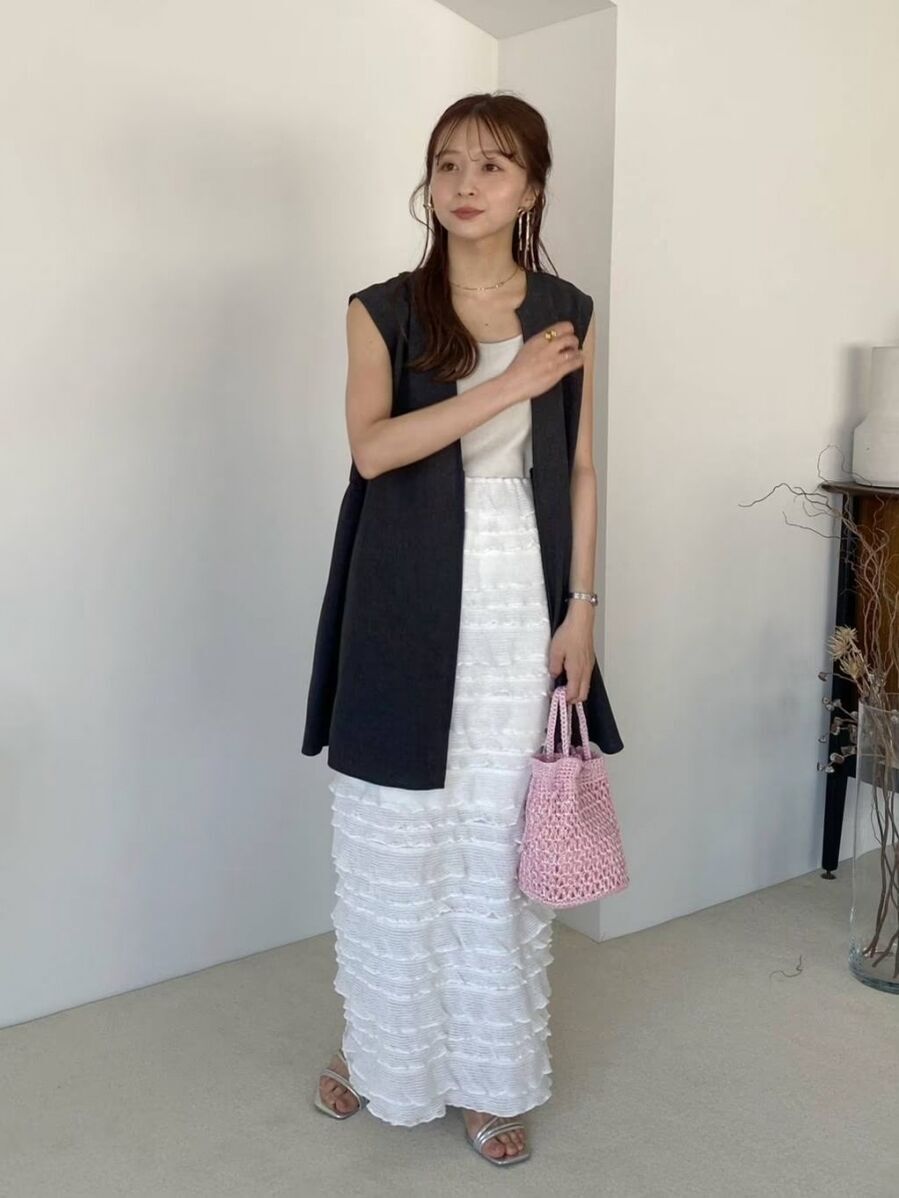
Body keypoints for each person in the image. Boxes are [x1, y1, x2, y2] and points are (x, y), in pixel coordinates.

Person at [306, 92, 620, 1166]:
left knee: (493, 839)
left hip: (516, 594)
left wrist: (582, 608)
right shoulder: (383, 308)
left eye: (491, 165)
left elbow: (580, 467)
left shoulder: (567, 309)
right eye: (447, 163)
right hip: (401, 588)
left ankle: (490, 1076)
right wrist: (511, 383)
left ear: (531, 186)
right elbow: (373, 450)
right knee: (396, 834)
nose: (464, 184)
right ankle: (380, 1051)